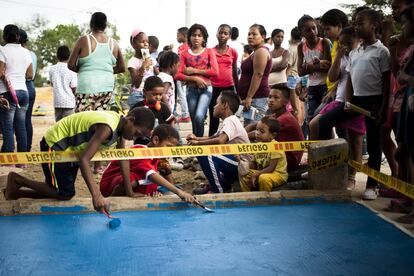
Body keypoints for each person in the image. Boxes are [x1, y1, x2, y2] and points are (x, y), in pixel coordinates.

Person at [5, 107, 155, 213]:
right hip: (56, 144)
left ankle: (15, 191)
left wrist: (130, 192)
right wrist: (96, 195)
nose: (134, 137)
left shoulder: (120, 129)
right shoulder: (107, 127)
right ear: (130, 120)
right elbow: (85, 159)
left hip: (71, 151)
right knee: (64, 193)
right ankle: (17, 181)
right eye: (136, 132)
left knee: (64, 192)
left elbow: (123, 159)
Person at [318, 9, 391, 200]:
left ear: (374, 26)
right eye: (356, 23)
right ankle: (330, 167)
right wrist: (348, 100)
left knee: (374, 144)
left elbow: (386, 81)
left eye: (361, 23)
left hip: (374, 101)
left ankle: (371, 185)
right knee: (323, 122)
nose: (357, 26)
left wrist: (383, 107)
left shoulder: (382, 51)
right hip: (355, 99)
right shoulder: (355, 52)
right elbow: (349, 78)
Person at [309, 27, 365, 190]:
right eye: (342, 43)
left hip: (356, 101)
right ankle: (324, 164)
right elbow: (333, 77)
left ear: (358, 41)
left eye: (349, 43)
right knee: (314, 124)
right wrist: (339, 56)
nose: (346, 46)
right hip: (339, 100)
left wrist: (349, 101)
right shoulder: (342, 56)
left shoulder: (360, 55)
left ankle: (351, 177)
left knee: (355, 142)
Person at [99, 124, 194, 203]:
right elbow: (150, 174)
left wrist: (167, 172)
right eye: (168, 146)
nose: (169, 151)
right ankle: (112, 200)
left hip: (127, 182)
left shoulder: (157, 158)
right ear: (156, 140)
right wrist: (179, 192)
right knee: (138, 179)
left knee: (159, 179)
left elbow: (170, 186)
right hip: (109, 186)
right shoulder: (139, 151)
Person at [187, 90, 250, 194]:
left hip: (242, 165)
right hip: (235, 162)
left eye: (216, 103)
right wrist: (196, 138)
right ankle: (220, 185)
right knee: (203, 151)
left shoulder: (231, 120)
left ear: (225, 105)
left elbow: (220, 140)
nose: (213, 107)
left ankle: (218, 190)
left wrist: (198, 143)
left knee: (206, 154)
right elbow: (213, 137)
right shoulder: (229, 121)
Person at [68, 12, 125, 112]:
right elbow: (121, 67)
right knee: (100, 121)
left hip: (87, 86)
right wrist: (105, 70)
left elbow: (71, 65)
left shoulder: (83, 40)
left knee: (84, 121)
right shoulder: (114, 43)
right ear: (105, 26)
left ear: (91, 24)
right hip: (106, 86)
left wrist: (83, 70)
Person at [246, 85, 304, 172]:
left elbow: (258, 134)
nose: (271, 100)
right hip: (278, 154)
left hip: (288, 160)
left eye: (276, 98)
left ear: (285, 102)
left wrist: (240, 137)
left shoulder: (285, 119)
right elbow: (254, 125)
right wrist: (244, 131)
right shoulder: (275, 115)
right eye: (269, 97)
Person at [175, 23, 219, 137]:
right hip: (191, 90)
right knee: (195, 120)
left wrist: (194, 71)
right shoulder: (184, 54)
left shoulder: (209, 51)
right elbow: (178, 75)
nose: (196, 38)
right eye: (194, 35)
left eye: (200, 35)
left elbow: (215, 72)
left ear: (204, 38)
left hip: (206, 89)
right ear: (189, 37)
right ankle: (197, 148)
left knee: (199, 116)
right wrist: (194, 79)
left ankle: (199, 143)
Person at [0, 24, 33, 160]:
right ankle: (22, 161)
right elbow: (30, 75)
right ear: (18, 37)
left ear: (4, 37)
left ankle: (9, 162)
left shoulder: (2, 50)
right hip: (23, 92)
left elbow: (0, 72)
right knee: (21, 127)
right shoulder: (26, 52)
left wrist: (7, 79)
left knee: (7, 128)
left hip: (8, 92)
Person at [297, 15, 332, 132]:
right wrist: (317, 65)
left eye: (314, 28)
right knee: (311, 118)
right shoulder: (301, 47)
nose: (312, 31)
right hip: (312, 86)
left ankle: (328, 145)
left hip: (325, 85)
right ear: (301, 33)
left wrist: (309, 66)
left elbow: (328, 66)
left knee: (324, 117)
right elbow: (300, 71)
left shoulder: (324, 42)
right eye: (308, 30)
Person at [240, 116, 288, 192]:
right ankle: (247, 196)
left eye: (262, 131)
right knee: (245, 174)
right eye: (257, 130)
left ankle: (265, 199)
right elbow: (255, 164)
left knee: (264, 178)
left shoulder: (275, 146)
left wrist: (256, 174)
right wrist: (243, 163)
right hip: (263, 172)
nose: (257, 133)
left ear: (273, 135)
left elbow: (271, 168)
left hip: (277, 174)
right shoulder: (259, 145)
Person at [238, 24, 272, 126]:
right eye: (249, 34)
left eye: (254, 34)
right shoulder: (255, 52)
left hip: (257, 98)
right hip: (253, 99)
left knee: (254, 131)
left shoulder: (261, 51)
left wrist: (249, 97)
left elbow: (258, 74)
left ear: (263, 37)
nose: (250, 36)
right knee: (249, 130)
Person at [209, 24, 239, 136]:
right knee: (213, 115)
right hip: (214, 88)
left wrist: (238, 90)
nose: (222, 35)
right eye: (220, 32)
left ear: (229, 36)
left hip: (229, 88)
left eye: (225, 33)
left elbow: (235, 72)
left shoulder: (233, 52)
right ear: (216, 34)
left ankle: (230, 137)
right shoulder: (210, 51)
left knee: (230, 115)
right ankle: (212, 140)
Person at [132, 76, 174, 145]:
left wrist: (170, 135)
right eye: (154, 94)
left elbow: (171, 121)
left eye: (160, 94)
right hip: (142, 143)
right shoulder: (138, 107)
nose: (158, 97)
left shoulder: (163, 107)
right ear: (145, 92)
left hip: (160, 144)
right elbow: (129, 122)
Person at [126, 29, 157, 108]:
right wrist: (143, 67)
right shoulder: (132, 62)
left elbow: (157, 75)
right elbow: (136, 84)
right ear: (134, 45)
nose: (146, 44)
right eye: (143, 42)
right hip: (138, 95)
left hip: (150, 94)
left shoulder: (151, 59)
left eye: (147, 42)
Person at [19, 29, 37, 152]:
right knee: (27, 120)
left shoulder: (20, 53)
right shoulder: (33, 54)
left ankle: (21, 150)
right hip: (31, 87)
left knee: (18, 121)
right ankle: (27, 148)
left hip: (21, 85)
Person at [49, 45, 78, 122]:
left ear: (57, 56)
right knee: (69, 127)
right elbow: (74, 87)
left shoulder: (52, 69)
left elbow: (52, 84)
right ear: (69, 56)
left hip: (57, 102)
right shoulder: (71, 69)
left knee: (59, 126)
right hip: (69, 103)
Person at [287, 27, 305, 124]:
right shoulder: (303, 47)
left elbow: (288, 66)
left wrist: (284, 79)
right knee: (301, 105)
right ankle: (301, 126)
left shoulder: (291, 49)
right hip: (301, 77)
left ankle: (297, 126)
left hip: (292, 77)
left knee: (295, 107)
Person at [175, 27, 190, 123]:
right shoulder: (191, 46)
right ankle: (188, 113)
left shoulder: (182, 47)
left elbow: (179, 62)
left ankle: (185, 115)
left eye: (178, 35)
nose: (177, 37)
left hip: (181, 73)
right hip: (189, 73)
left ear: (184, 36)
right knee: (187, 94)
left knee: (182, 94)